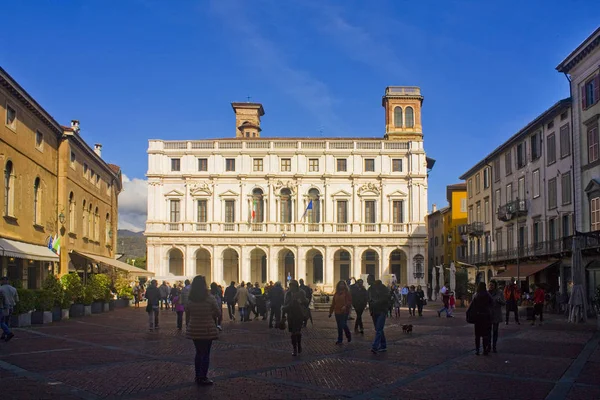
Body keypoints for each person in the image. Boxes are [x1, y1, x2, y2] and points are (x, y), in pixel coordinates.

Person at [186, 275, 221, 386]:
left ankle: (197, 376)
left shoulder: (190, 299)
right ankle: (203, 377)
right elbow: (218, 313)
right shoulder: (210, 298)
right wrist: (209, 315)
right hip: (207, 329)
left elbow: (188, 313)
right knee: (205, 354)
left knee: (198, 353)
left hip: (194, 329)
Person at [282, 280, 309, 356]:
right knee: (293, 333)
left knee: (297, 331)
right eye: (290, 286)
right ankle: (295, 348)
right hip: (291, 315)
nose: (291, 287)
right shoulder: (288, 294)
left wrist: (300, 301)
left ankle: (299, 345)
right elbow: (285, 304)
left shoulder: (301, 292)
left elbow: (306, 302)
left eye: (293, 286)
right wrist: (283, 315)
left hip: (299, 315)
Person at [368, 275, 390, 354]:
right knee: (379, 329)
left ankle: (375, 346)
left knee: (379, 329)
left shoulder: (382, 287)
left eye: (368, 280)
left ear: (372, 280)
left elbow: (386, 297)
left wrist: (377, 302)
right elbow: (369, 300)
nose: (367, 282)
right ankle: (383, 345)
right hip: (374, 311)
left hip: (382, 310)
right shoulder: (370, 289)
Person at [472, 282, 493, 356]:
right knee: (485, 335)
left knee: (477, 335)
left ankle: (477, 350)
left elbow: (473, 305)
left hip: (478, 316)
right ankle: (485, 349)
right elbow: (491, 303)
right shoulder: (487, 295)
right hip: (486, 316)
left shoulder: (476, 295)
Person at [329, 280, 352, 345]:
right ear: (338, 285)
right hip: (337, 311)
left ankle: (348, 335)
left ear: (345, 286)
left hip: (344, 311)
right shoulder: (336, 293)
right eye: (340, 284)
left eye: (343, 284)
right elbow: (333, 303)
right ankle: (340, 339)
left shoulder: (347, 293)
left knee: (343, 324)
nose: (341, 285)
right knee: (339, 326)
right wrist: (330, 312)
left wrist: (345, 306)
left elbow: (349, 301)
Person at [488, 280, 505, 353]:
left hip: (496, 314)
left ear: (495, 286)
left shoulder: (499, 292)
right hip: (488, 315)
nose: (490, 286)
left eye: (492, 285)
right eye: (490, 285)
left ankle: (494, 346)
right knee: (488, 331)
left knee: (495, 331)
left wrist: (499, 301)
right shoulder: (487, 293)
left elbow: (504, 302)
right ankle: (488, 346)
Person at [0, 277, 18, 341]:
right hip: (10, 306)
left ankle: (7, 333)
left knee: (2, 321)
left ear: (2, 281)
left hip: (3, 307)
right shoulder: (13, 289)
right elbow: (16, 299)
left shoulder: (1, 289)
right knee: (6, 321)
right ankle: (5, 334)